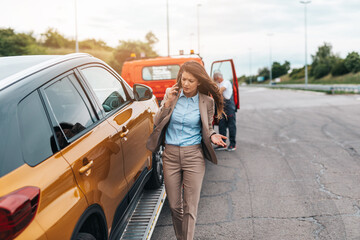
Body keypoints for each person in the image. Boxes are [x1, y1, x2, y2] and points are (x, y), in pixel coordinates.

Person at [146, 61, 226, 240]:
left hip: (194, 156)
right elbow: (157, 122)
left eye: (191, 80)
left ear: (199, 82)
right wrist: (167, 102)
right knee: (175, 206)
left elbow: (208, 126)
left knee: (190, 207)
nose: (186, 84)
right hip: (170, 156)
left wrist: (212, 135)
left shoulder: (207, 102)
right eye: (184, 79)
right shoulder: (172, 95)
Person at [213, 72, 237, 151]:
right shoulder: (218, 84)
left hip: (229, 107)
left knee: (231, 126)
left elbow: (222, 90)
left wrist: (215, 94)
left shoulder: (226, 82)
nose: (216, 81)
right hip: (222, 108)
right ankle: (222, 144)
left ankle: (232, 144)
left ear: (218, 78)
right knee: (221, 126)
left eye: (215, 79)